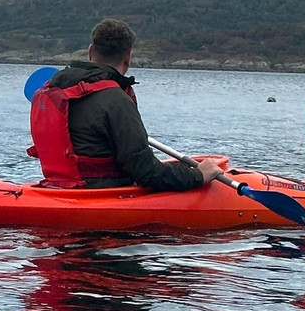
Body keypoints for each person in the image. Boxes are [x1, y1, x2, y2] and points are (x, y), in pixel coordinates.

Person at [29, 18, 221, 190]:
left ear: (90, 51)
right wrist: (198, 176)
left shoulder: (54, 88)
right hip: (99, 192)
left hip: (58, 186)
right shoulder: (116, 100)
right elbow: (146, 173)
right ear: (128, 58)